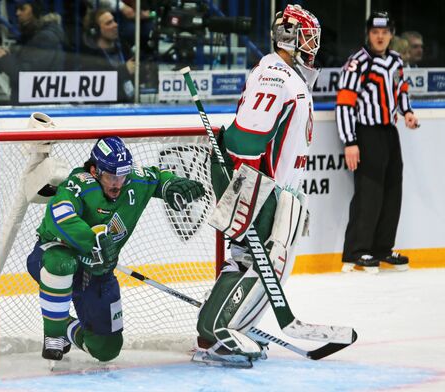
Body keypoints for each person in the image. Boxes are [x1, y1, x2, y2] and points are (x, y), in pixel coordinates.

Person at [194, 4, 320, 368]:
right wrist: (248, 194)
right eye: (308, 38)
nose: (313, 47)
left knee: (247, 260)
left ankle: (215, 329)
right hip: (263, 188)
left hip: (270, 187)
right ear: (292, 39)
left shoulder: (277, 72)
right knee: (266, 260)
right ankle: (221, 334)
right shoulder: (276, 76)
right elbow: (246, 137)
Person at [26, 136, 205, 363]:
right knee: (62, 263)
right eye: (111, 176)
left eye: (122, 175)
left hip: (98, 273)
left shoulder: (134, 180)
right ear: (94, 171)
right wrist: (93, 242)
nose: (117, 183)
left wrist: (170, 184)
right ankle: (53, 336)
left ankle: (64, 325)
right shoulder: (78, 184)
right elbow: (60, 217)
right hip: (53, 256)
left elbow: (158, 177)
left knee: (106, 350)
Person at [336, 11, 419, 273]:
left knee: (393, 190)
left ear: (391, 34)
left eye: (384, 32)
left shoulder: (395, 61)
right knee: (368, 193)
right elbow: (345, 104)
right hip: (366, 133)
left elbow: (401, 90)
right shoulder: (358, 62)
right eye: (375, 32)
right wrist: (350, 141)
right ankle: (356, 251)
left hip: (389, 132)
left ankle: (382, 247)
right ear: (368, 34)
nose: (380, 36)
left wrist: (407, 113)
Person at [0, 0, 66, 104]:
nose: (17, 13)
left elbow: (26, 78)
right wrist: (14, 52)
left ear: (35, 10)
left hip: (36, 110)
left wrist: (3, 58)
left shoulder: (45, 38)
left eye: (22, 8)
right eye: (16, 9)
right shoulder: (33, 35)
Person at [79, 8, 135, 103]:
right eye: (109, 23)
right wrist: (124, 71)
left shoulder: (124, 48)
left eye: (114, 21)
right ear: (95, 30)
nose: (115, 25)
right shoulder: (90, 57)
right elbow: (99, 86)